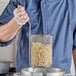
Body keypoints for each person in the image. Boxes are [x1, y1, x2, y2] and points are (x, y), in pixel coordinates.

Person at [0, 0, 76, 75]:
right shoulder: (22, 1)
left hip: (60, 73)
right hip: (27, 73)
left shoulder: (72, 3)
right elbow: (1, 36)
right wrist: (16, 22)